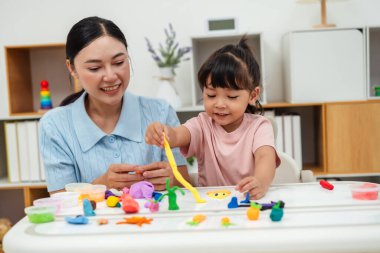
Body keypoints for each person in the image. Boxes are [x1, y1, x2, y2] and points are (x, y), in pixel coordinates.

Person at [39, 16, 189, 194]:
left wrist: (171, 179)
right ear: (72, 68)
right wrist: (100, 186)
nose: (110, 76)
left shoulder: (161, 111)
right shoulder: (54, 125)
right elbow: (60, 202)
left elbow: (184, 184)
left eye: (119, 62)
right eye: (95, 68)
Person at [145, 37, 280, 199]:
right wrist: (164, 133)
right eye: (211, 95)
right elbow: (178, 135)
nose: (220, 104)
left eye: (231, 97)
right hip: (209, 205)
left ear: (253, 95)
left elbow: (266, 158)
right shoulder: (202, 124)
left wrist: (260, 181)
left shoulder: (260, 126)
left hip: (248, 201)